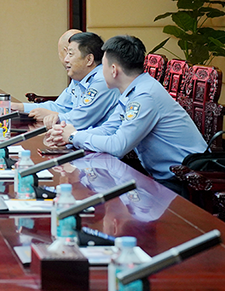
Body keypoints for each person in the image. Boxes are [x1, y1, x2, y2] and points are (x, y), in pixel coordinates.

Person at [44, 35, 206, 192]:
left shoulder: (144, 96)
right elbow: (109, 129)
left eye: (103, 66)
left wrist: (74, 136)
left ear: (113, 70)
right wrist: (68, 136)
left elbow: (119, 146)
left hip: (186, 181)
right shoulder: (133, 91)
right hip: (163, 177)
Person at [13, 32, 119, 129]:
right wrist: (20, 107)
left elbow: (81, 120)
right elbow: (60, 106)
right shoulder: (80, 79)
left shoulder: (102, 80)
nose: (66, 59)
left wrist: (54, 116)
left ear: (89, 59)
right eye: (66, 54)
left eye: (70, 54)